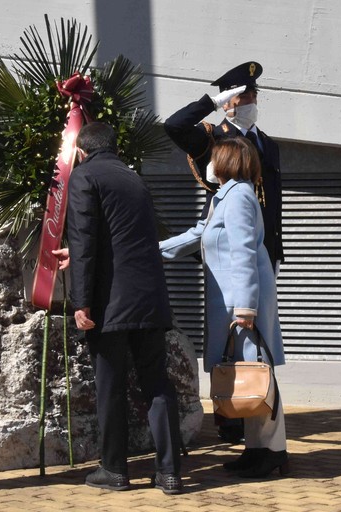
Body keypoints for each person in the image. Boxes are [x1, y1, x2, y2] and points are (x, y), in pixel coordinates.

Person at [53, 122, 183, 495]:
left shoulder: (84, 176)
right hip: (149, 298)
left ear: (82, 151)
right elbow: (121, 238)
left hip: (110, 304)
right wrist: (74, 255)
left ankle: (114, 470)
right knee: (157, 383)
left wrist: (81, 301)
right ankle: (170, 473)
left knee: (109, 387)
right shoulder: (134, 179)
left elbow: (85, 238)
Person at [164, 61, 283, 444]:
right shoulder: (213, 135)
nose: (250, 101)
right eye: (242, 95)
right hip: (228, 258)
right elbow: (175, 126)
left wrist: (273, 252)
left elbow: (271, 206)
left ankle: (262, 437)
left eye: (253, 95)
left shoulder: (264, 147)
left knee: (252, 350)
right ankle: (236, 419)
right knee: (229, 346)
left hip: (251, 258)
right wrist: (211, 102)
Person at [159, 137, 289, 478]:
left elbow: (245, 252)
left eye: (213, 158)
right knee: (246, 375)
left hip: (242, 305)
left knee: (257, 374)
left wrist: (246, 308)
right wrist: (150, 249)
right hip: (232, 302)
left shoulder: (240, 196)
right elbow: (198, 234)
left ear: (227, 161)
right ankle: (257, 448)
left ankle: (273, 450)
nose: (208, 165)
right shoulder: (227, 195)